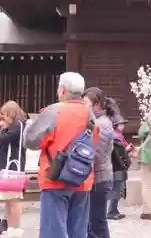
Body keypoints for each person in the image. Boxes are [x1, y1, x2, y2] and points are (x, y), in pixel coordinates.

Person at [24, 72, 97, 238]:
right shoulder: (90, 114)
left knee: (54, 232)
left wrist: (29, 127)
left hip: (55, 178)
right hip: (82, 178)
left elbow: (32, 141)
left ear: (62, 90)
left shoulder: (53, 112)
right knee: (78, 232)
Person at [82, 88, 115, 238]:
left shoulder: (100, 124)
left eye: (86, 103)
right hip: (98, 177)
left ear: (97, 105)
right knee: (93, 222)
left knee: (97, 222)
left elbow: (96, 155)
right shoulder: (96, 121)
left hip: (99, 178)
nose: (83, 106)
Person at [0, 101, 27, 237]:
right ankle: (10, 227)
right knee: (9, 200)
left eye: (4, 114)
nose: (2, 117)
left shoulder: (18, 125)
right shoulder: (15, 125)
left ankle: (15, 229)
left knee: (13, 200)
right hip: (9, 169)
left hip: (12, 169)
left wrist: (2, 128)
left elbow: (4, 140)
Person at [108, 114, 132, 220]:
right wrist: (126, 150)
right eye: (120, 124)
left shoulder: (118, 136)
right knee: (116, 190)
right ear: (115, 126)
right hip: (117, 166)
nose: (122, 126)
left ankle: (114, 210)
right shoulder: (115, 138)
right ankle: (111, 212)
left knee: (117, 189)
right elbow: (118, 152)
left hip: (117, 165)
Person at [137, 120, 151, 220]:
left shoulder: (150, 120)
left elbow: (141, 134)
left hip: (147, 156)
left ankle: (147, 211)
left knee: (147, 184)